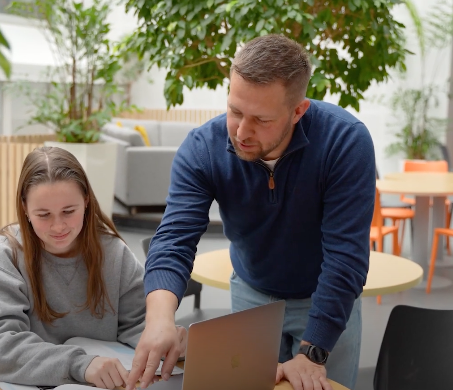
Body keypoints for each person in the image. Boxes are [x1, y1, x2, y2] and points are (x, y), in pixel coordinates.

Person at [127, 34, 375, 390]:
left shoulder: (345, 142)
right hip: (251, 294)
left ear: (298, 111)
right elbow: (173, 241)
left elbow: (346, 257)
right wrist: (160, 320)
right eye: (235, 111)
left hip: (327, 297)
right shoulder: (203, 149)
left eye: (261, 119)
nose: (241, 132)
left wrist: (314, 352)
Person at [0, 146, 185, 389]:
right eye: (44, 215)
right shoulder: (3, 258)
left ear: (86, 201)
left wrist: (163, 339)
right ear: (25, 209)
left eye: (69, 211)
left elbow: (136, 323)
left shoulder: (113, 252)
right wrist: (79, 365)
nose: (58, 226)